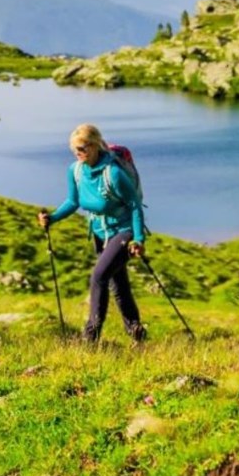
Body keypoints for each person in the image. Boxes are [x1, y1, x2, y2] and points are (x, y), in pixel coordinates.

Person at [38, 123, 148, 345]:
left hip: (123, 231)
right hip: (99, 233)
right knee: (118, 285)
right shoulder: (76, 170)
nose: (77, 153)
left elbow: (135, 206)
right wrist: (53, 218)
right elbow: (73, 201)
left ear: (95, 145)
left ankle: (90, 337)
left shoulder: (113, 173)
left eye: (82, 148)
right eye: (74, 149)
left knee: (99, 276)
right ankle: (137, 333)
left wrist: (138, 239)